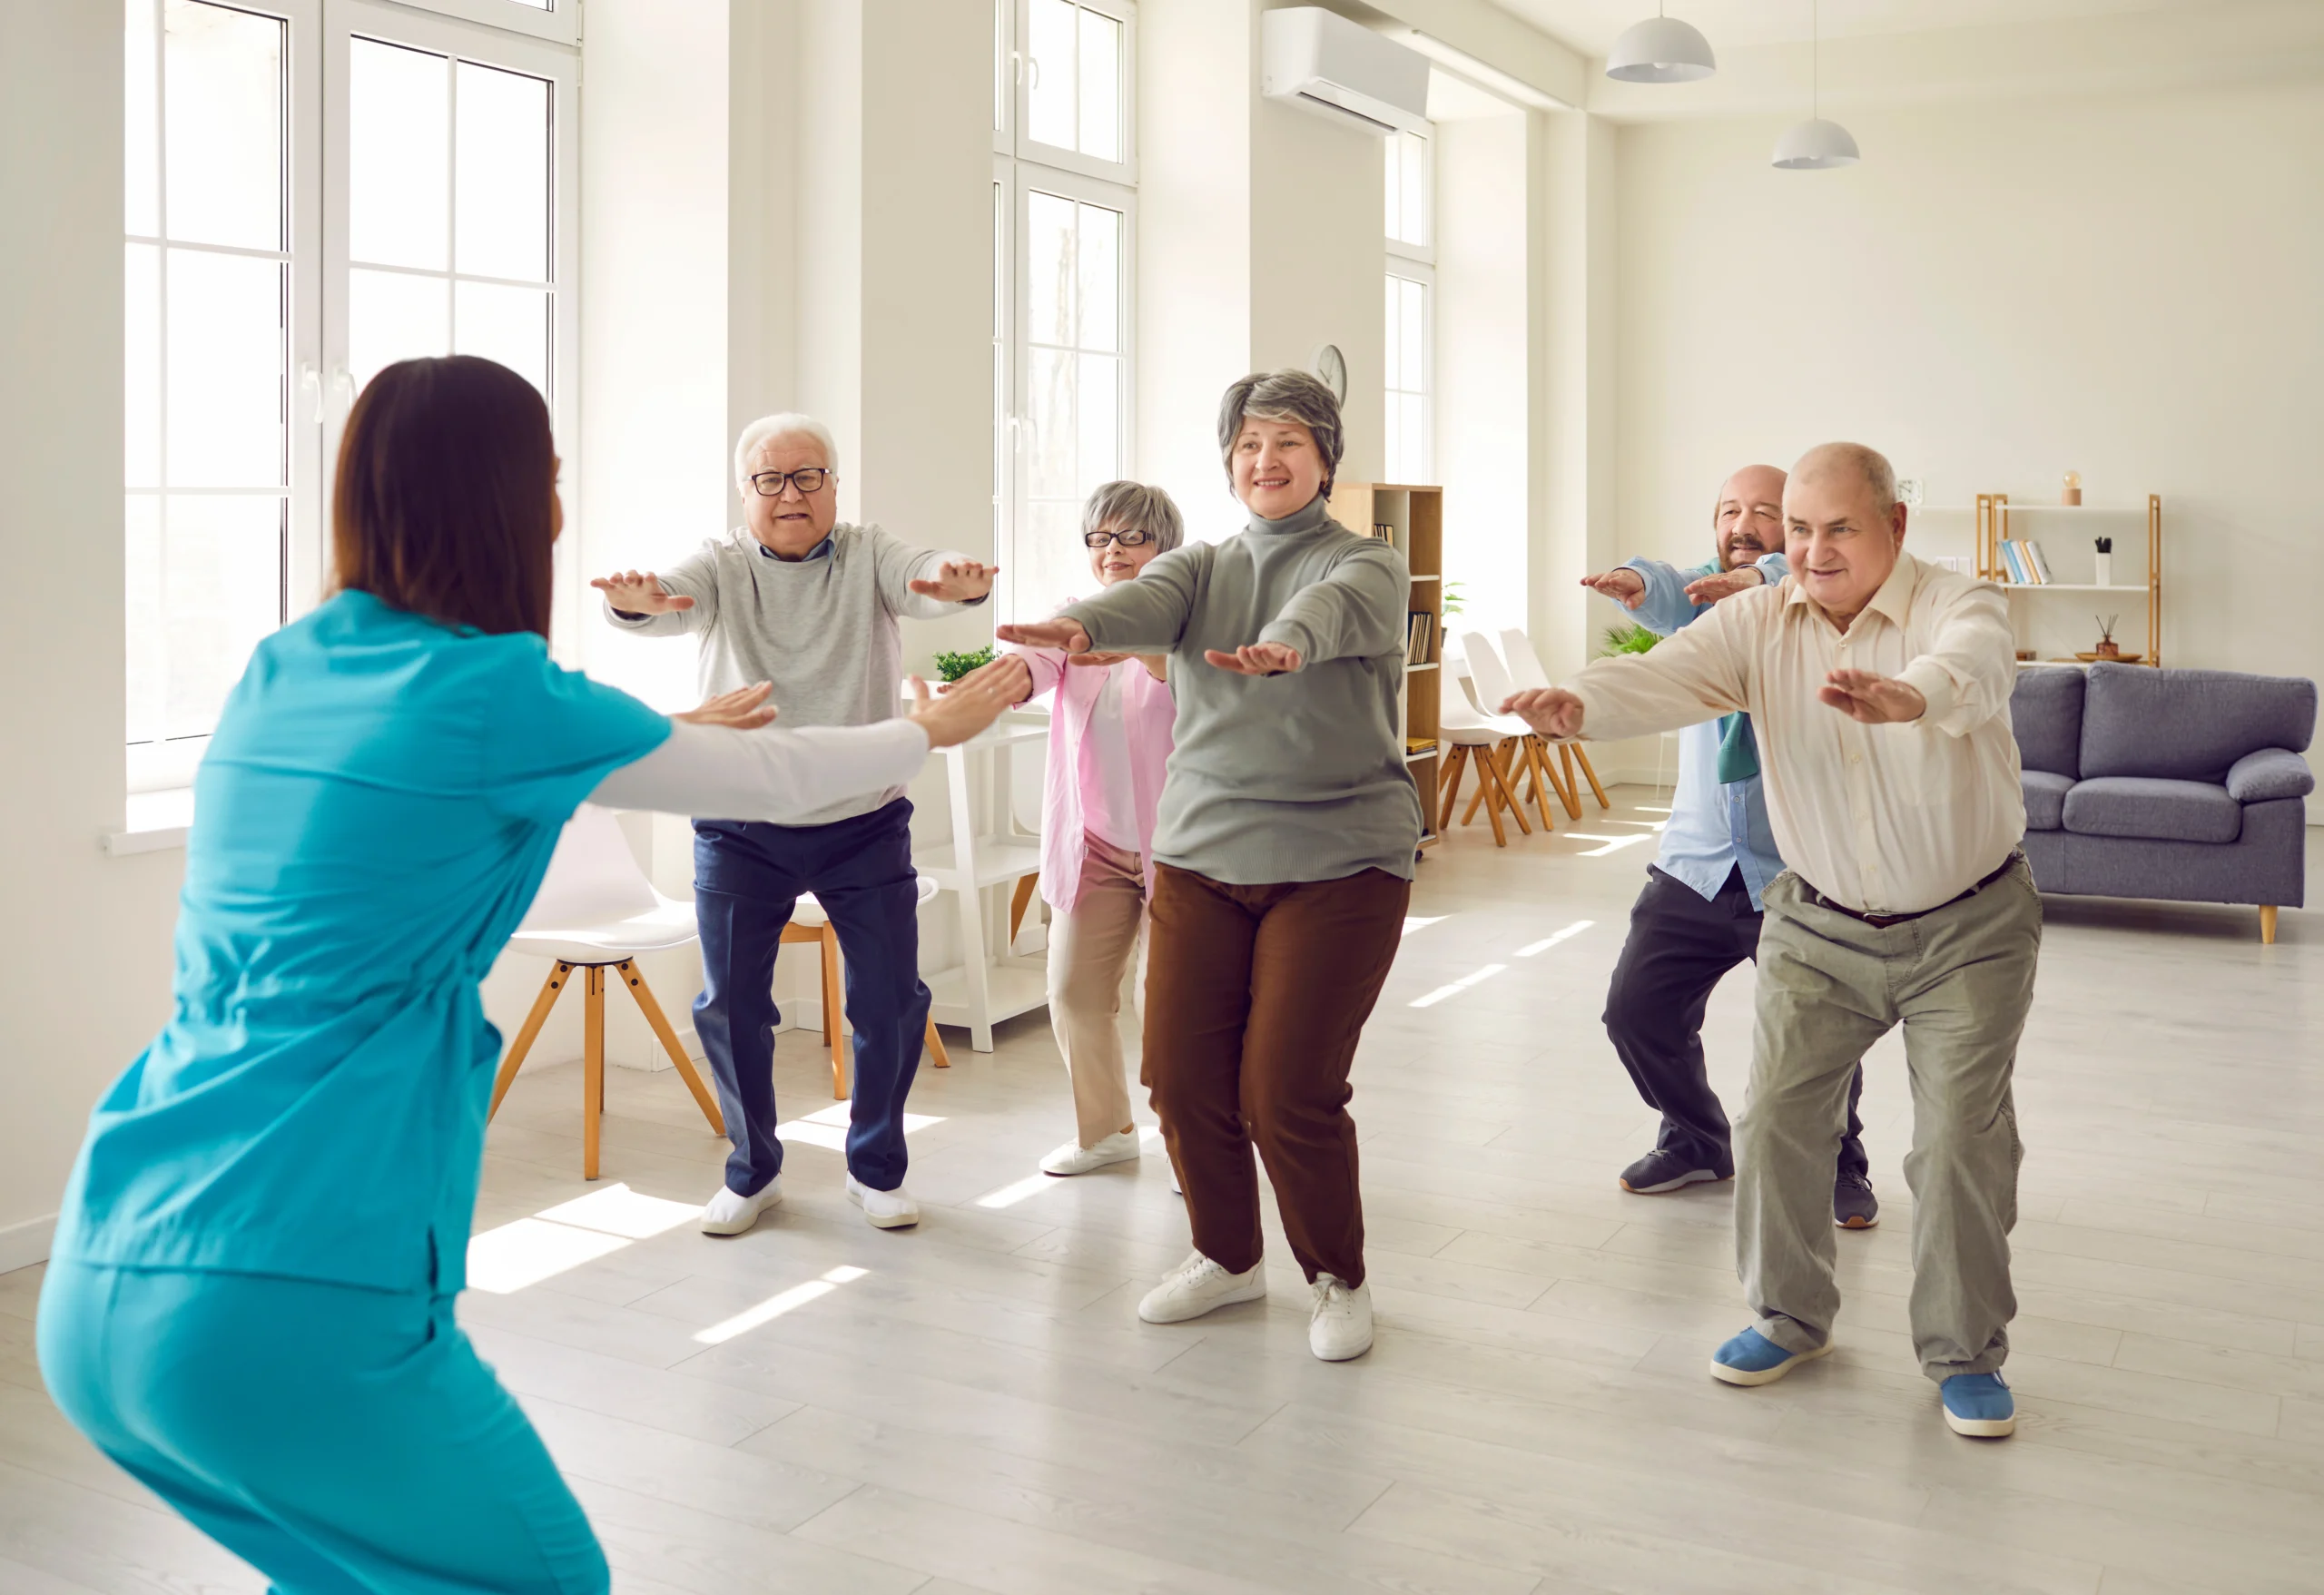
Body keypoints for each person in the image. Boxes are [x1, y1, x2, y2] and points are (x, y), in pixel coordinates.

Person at [35, 356, 1024, 1595]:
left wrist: (668, 741)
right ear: (510, 505)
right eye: (547, 480)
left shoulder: (285, 664)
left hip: (109, 1264)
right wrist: (927, 729)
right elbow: (770, 781)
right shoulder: (497, 693)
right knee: (553, 1578)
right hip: (292, 1283)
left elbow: (474, 780)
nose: (557, 509)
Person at [1502, 442, 2034, 1439]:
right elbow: (1667, 676)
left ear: (1895, 526)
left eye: (1838, 528)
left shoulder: (1957, 601)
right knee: (1781, 1118)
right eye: (1798, 530)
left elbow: (1971, 668)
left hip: (1968, 925)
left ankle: (1963, 1351)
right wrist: (1582, 704)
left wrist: (1907, 695)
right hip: (1818, 917)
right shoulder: (1756, 618)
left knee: (1960, 1136)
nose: (1813, 549)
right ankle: (1790, 1316)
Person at [999, 370, 1423, 1363]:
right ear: (1228, 460)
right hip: (1198, 852)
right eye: (1247, 445)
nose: (1265, 461)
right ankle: (1227, 1258)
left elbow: (1329, 605)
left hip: (1339, 857)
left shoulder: (1368, 562)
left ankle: (1336, 1275)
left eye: (1287, 442)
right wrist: (1084, 625)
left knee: (1284, 1088)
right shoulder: (1199, 566)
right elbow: (1145, 596)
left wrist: (1283, 645)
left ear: (1325, 457)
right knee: (1180, 1072)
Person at [593, 414, 998, 1235]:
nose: (789, 494)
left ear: (834, 486)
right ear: (745, 492)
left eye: (808, 476)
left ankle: (876, 1167)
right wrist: (636, 606)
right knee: (733, 1005)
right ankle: (752, 1171)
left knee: (889, 1001)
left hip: (863, 820)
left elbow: (924, 576)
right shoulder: (719, 565)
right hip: (741, 824)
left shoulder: (866, 553)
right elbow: (668, 601)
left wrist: (958, 581)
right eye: (769, 480)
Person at [1581, 463, 1879, 1229]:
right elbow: (1671, 584)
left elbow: (1789, 579)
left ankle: (1843, 1158)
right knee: (1634, 1012)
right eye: (1727, 511)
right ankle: (1696, 1138)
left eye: (1764, 512)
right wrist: (1637, 583)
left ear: (1799, 528)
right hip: (1698, 865)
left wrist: (1769, 580)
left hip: (1797, 867)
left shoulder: (1816, 603)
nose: (1741, 525)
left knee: (1819, 1030)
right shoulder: (1702, 605)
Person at [990, 482, 1182, 1178]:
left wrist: (1143, 649)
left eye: (1130, 536)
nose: (1113, 551)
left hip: (1181, 851)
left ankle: (1195, 1150)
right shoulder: (1074, 622)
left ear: (1164, 544)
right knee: (1073, 992)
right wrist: (994, 681)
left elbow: (1209, 693)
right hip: (1095, 845)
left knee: (1168, 1011)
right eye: (1100, 538)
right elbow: (1035, 662)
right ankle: (1105, 1133)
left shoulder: (1191, 623)